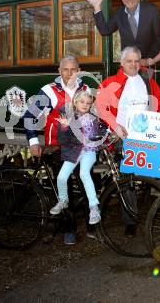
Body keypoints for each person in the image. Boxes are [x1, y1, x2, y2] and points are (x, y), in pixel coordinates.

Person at [23, 55, 94, 245]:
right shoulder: (48, 91)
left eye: (73, 69)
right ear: (59, 71)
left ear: (78, 70)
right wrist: (33, 141)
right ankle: (68, 229)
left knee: (87, 182)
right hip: (57, 146)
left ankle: (91, 225)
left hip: (81, 147)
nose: (69, 73)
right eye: (65, 69)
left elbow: (95, 117)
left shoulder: (86, 89)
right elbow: (29, 114)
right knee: (64, 189)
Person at [96, 46, 160, 238]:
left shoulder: (148, 81)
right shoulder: (112, 82)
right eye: (129, 61)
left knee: (149, 175)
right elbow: (100, 107)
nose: (133, 64)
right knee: (127, 179)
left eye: (136, 61)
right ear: (122, 63)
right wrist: (115, 127)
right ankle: (131, 220)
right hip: (122, 138)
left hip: (145, 137)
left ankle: (148, 212)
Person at [50, 90, 105, 226]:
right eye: (82, 102)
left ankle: (94, 208)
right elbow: (63, 140)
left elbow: (101, 132)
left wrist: (106, 133)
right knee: (61, 177)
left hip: (89, 151)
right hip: (74, 152)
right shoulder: (68, 118)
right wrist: (64, 127)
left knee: (84, 173)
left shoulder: (93, 118)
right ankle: (63, 200)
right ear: (75, 102)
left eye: (88, 103)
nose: (85, 105)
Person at [85, 0, 160, 59]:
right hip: (128, 63)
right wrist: (96, 6)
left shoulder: (152, 10)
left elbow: (159, 38)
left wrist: (149, 59)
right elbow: (105, 30)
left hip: (149, 62)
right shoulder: (119, 13)